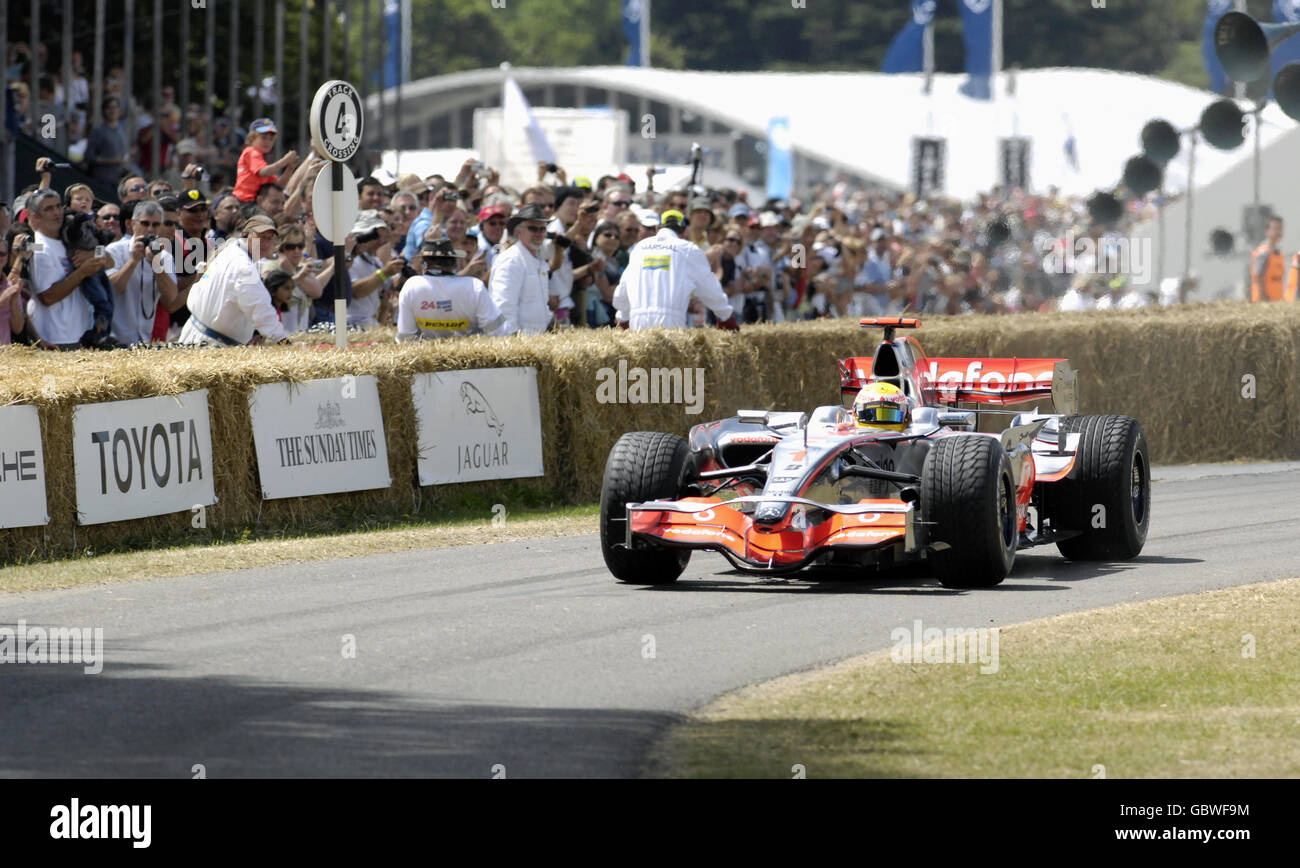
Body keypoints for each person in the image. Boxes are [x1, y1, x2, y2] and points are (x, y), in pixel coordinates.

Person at [613, 210, 739, 331]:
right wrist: (725, 317)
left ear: (657, 229)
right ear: (684, 231)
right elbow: (710, 289)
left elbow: (623, 289)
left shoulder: (639, 248)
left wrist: (622, 318)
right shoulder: (688, 249)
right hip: (671, 324)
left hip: (637, 324)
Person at [179, 214, 288, 346]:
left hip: (199, 335)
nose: (265, 243)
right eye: (260, 237)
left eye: (269, 239)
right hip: (211, 344)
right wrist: (283, 341)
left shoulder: (230, 250)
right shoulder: (243, 265)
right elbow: (259, 307)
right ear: (245, 234)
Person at [25, 189, 113, 349]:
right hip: (55, 338)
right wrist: (82, 272)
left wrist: (93, 252)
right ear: (34, 216)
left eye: (58, 206)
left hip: (80, 335)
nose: (57, 212)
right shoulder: (38, 248)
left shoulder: (68, 238)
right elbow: (47, 297)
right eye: (49, 209)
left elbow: (109, 261)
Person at [396, 237, 506, 341]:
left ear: (425, 263)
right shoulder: (474, 286)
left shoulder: (411, 287)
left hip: (428, 357)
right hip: (469, 356)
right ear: (454, 262)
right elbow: (497, 332)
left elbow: (406, 337)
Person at [105, 200, 178, 346]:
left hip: (144, 342)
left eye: (156, 225)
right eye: (145, 224)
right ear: (133, 224)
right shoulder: (115, 250)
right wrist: (133, 261)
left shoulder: (165, 257)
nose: (150, 229)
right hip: (114, 340)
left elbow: (171, 298)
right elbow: (110, 291)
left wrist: (157, 265)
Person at [489, 202, 553, 335]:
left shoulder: (538, 260)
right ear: (519, 232)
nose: (539, 233)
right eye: (533, 229)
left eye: (542, 229)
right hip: (519, 343)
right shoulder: (511, 260)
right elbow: (503, 305)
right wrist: (512, 339)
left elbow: (542, 303)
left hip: (537, 340)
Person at [345, 210, 405, 328]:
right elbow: (356, 291)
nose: (380, 242)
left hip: (370, 323)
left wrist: (403, 275)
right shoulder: (349, 258)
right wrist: (384, 273)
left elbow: (389, 288)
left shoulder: (374, 260)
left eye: (382, 237)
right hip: (352, 323)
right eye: (375, 237)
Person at [233, 118, 298, 204]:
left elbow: (279, 185)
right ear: (252, 138)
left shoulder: (261, 160)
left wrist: (290, 168)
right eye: (263, 138)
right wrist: (285, 160)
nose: (267, 142)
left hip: (252, 202)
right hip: (244, 202)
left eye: (271, 139)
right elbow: (264, 172)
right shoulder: (252, 152)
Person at [1251, 215, 1292, 302]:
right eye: (1275, 229)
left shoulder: (1278, 253)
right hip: (1265, 302)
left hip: (1276, 300)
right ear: (1267, 231)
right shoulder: (1263, 253)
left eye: (1280, 229)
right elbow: (1258, 277)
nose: (1278, 232)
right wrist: (1264, 298)